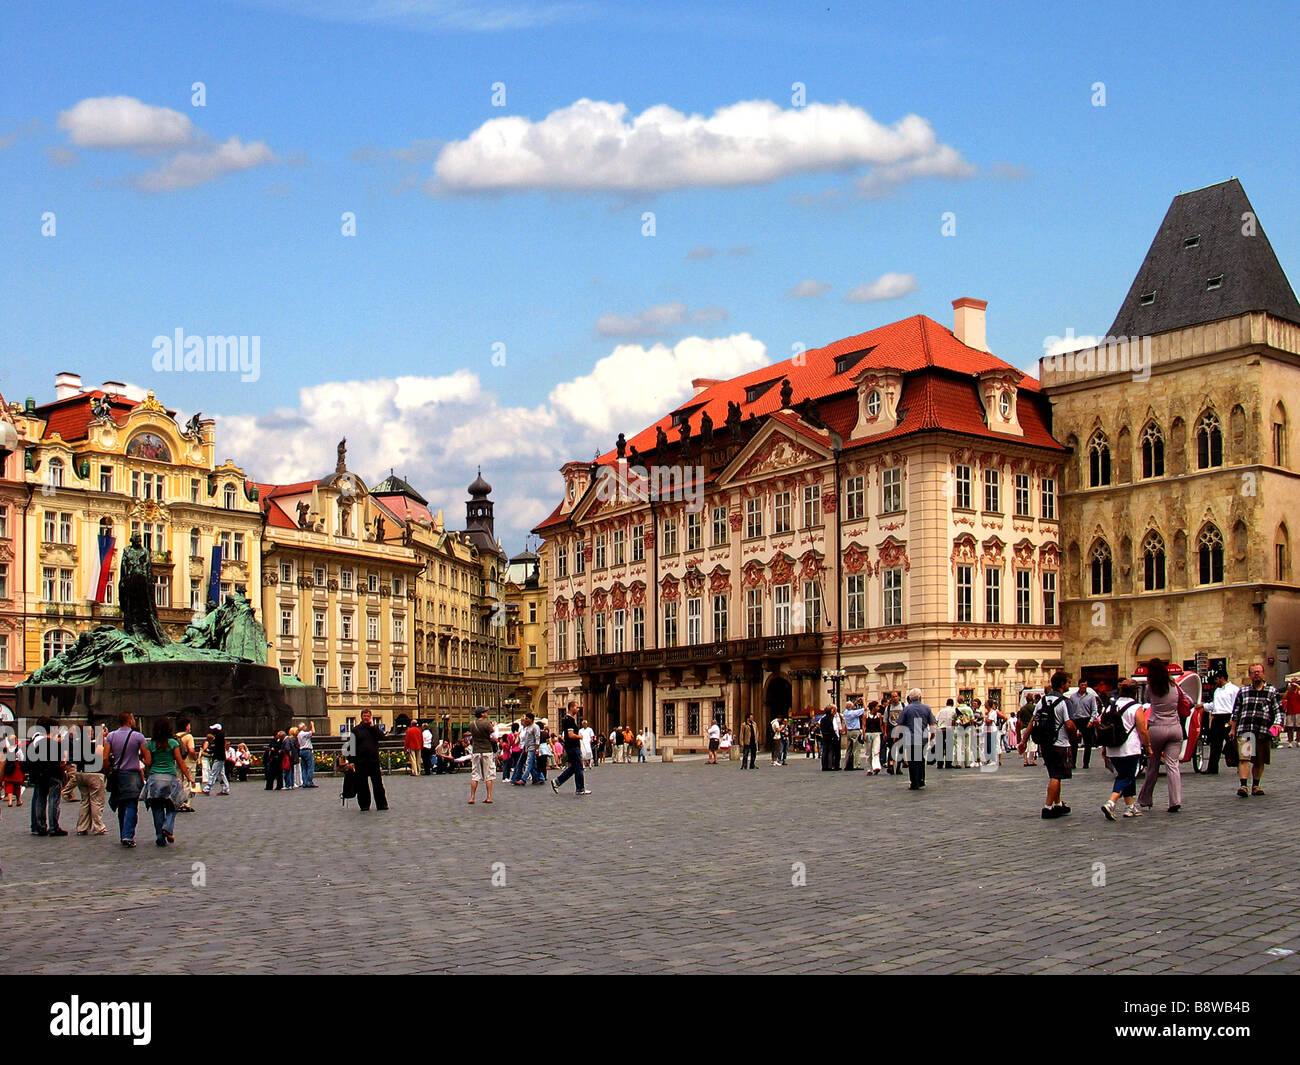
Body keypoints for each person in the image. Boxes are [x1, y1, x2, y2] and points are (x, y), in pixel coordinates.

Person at [1136, 659, 1186, 813]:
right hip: (1175, 728)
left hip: (1156, 727)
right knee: (1173, 765)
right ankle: (1175, 800)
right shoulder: (1174, 686)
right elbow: (1186, 700)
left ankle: (1146, 798)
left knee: (1153, 766)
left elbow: (1147, 702)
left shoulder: (1151, 688)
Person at [1230, 662, 1284, 798]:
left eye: (1258, 672)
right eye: (1253, 672)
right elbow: (1236, 712)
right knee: (1244, 758)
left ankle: (1256, 785)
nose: (1256, 674)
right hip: (1245, 729)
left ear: (1263, 674)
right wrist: (1232, 729)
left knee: (1259, 760)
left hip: (1263, 730)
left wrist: (1277, 724)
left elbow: (1278, 711)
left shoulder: (1272, 691)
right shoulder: (1243, 691)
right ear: (1250, 675)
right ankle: (1243, 785)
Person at [1028, 671, 1076, 819]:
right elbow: (1069, 725)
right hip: (1060, 743)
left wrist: (1023, 741)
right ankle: (1047, 807)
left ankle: (1058, 804)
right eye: (1068, 682)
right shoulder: (1064, 702)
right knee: (1056, 775)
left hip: (1046, 743)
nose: (1069, 685)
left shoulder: (1042, 701)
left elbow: (1032, 722)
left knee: (1055, 774)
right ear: (1062, 684)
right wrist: (1075, 735)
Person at [141, 717, 194, 847]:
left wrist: (144, 758)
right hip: (170, 778)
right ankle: (168, 826)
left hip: (154, 778)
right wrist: (189, 777)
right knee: (173, 805)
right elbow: (180, 762)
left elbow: (147, 762)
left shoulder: (150, 744)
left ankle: (160, 836)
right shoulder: (173, 743)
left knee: (157, 808)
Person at [1100, 679, 1143, 820]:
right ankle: (1111, 802)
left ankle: (1130, 807)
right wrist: (1148, 746)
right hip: (1130, 748)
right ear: (1134, 692)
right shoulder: (1136, 707)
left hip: (1113, 747)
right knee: (1126, 777)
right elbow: (1142, 729)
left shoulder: (1110, 706)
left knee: (1125, 775)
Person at [104, 712, 147, 847]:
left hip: (118, 773)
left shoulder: (111, 736)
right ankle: (128, 835)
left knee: (121, 805)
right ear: (129, 720)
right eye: (133, 718)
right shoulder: (138, 736)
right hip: (132, 773)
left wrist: (107, 772)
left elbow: (105, 757)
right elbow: (147, 756)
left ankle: (123, 832)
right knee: (131, 804)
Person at [26, 717, 67, 836]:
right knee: (54, 801)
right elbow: (62, 762)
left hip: (40, 775)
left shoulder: (35, 743)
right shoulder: (55, 744)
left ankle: (41, 826)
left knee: (41, 800)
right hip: (54, 775)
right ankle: (54, 827)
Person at [341, 709, 388, 812]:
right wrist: (351, 761)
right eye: (364, 716)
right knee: (362, 785)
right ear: (361, 717)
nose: (366, 718)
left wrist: (373, 727)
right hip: (360, 761)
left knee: (378, 784)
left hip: (373, 761)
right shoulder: (356, 730)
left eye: (368, 716)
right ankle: (364, 805)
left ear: (370, 717)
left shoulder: (374, 728)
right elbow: (351, 746)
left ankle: (382, 804)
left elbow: (382, 737)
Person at [71, 723, 108, 836]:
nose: (92, 732)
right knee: (96, 801)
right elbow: (101, 755)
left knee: (85, 801)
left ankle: (82, 827)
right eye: (91, 730)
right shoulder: (95, 744)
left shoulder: (76, 744)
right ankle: (98, 826)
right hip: (94, 774)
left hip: (81, 773)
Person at [896, 689, 936, 791]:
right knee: (921, 759)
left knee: (912, 761)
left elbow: (900, 724)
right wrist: (932, 735)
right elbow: (932, 723)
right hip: (923, 737)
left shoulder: (907, 709)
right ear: (920, 697)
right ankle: (921, 779)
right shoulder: (926, 708)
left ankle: (914, 782)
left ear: (910, 698)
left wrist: (896, 736)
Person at [550, 701, 590, 795]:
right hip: (573, 746)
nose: (578, 709)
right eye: (576, 707)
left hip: (570, 746)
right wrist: (579, 736)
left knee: (574, 767)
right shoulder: (569, 720)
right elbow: (571, 735)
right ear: (571, 708)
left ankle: (557, 781)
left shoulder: (568, 719)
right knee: (579, 767)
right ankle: (580, 788)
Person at [467, 707, 496, 804]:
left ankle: (472, 797)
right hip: (486, 750)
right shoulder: (487, 723)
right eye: (485, 712)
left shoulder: (471, 724)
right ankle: (489, 797)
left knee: (475, 774)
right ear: (482, 714)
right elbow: (493, 737)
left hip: (476, 750)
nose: (487, 713)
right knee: (489, 774)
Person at [1069, 678, 1100, 769]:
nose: (1084, 687)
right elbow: (1070, 710)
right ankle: (1073, 762)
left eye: (1085, 685)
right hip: (1076, 720)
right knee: (1073, 743)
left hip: (1086, 720)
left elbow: (1094, 710)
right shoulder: (1073, 697)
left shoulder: (1091, 697)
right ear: (1079, 685)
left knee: (1088, 743)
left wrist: (1091, 721)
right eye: (1082, 685)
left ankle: (1086, 763)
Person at [512, 713, 545, 785]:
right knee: (533, 765)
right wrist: (524, 748)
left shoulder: (535, 727)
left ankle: (523, 780)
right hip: (527, 748)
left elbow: (537, 739)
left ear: (531, 719)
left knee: (528, 764)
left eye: (527, 718)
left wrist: (536, 749)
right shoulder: (527, 727)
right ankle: (539, 778)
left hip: (532, 748)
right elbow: (526, 739)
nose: (525, 720)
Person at [174, 718, 200, 812]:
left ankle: (178, 802)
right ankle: (186, 803)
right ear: (186, 726)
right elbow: (191, 750)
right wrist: (195, 757)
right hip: (188, 761)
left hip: (178, 761)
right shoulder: (189, 736)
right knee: (188, 782)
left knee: (179, 782)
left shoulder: (175, 736)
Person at [200, 725, 230, 796]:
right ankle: (225, 788)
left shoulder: (218, 737)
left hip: (218, 757)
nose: (212, 730)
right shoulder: (220, 736)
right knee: (221, 774)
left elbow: (217, 747)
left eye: (214, 729)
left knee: (213, 773)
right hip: (220, 757)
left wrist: (209, 750)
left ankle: (207, 788)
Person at [862, 701, 884, 774]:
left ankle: (876, 767)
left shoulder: (879, 715)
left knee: (876, 751)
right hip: (868, 734)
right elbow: (864, 726)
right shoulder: (866, 715)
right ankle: (869, 769)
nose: (878, 708)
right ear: (873, 708)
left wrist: (883, 733)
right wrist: (864, 734)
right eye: (877, 706)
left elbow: (881, 725)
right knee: (868, 752)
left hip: (877, 733)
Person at [842, 700, 865, 770]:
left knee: (849, 749)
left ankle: (846, 764)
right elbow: (865, 709)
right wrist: (863, 700)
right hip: (855, 731)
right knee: (856, 749)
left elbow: (849, 707)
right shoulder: (854, 713)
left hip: (849, 731)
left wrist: (855, 702)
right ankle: (856, 765)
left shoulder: (845, 712)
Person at [935, 699, 957, 770]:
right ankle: (948, 763)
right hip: (949, 729)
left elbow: (936, 720)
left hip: (940, 729)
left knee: (940, 747)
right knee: (949, 747)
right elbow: (955, 720)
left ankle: (940, 763)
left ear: (946, 703)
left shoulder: (941, 711)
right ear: (952, 704)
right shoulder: (954, 710)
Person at [1283, 677, 1300, 749]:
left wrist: (1298, 688)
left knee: (1299, 727)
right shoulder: (1289, 692)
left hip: (1299, 711)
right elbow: (1284, 698)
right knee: (1289, 727)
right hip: (1290, 711)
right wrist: (1288, 690)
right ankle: (1290, 741)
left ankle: (1298, 741)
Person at [819, 707, 838, 772]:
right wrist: (835, 736)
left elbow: (820, 727)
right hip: (830, 736)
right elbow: (833, 728)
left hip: (824, 736)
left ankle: (824, 766)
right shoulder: (831, 718)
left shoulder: (822, 719)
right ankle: (830, 766)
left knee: (824, 751)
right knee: (830, 750)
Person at [299, 722, 317, 787]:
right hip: (307, 750)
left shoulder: (299, 734)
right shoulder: (304, 734)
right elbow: (313, 732)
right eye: (305, 726)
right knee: (310, 767)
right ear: (303, 727)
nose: (306, 727)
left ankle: (305, 782)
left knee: (304, 767)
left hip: (301, 751)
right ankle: (309, 782)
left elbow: (309, 732)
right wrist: (312, 725)